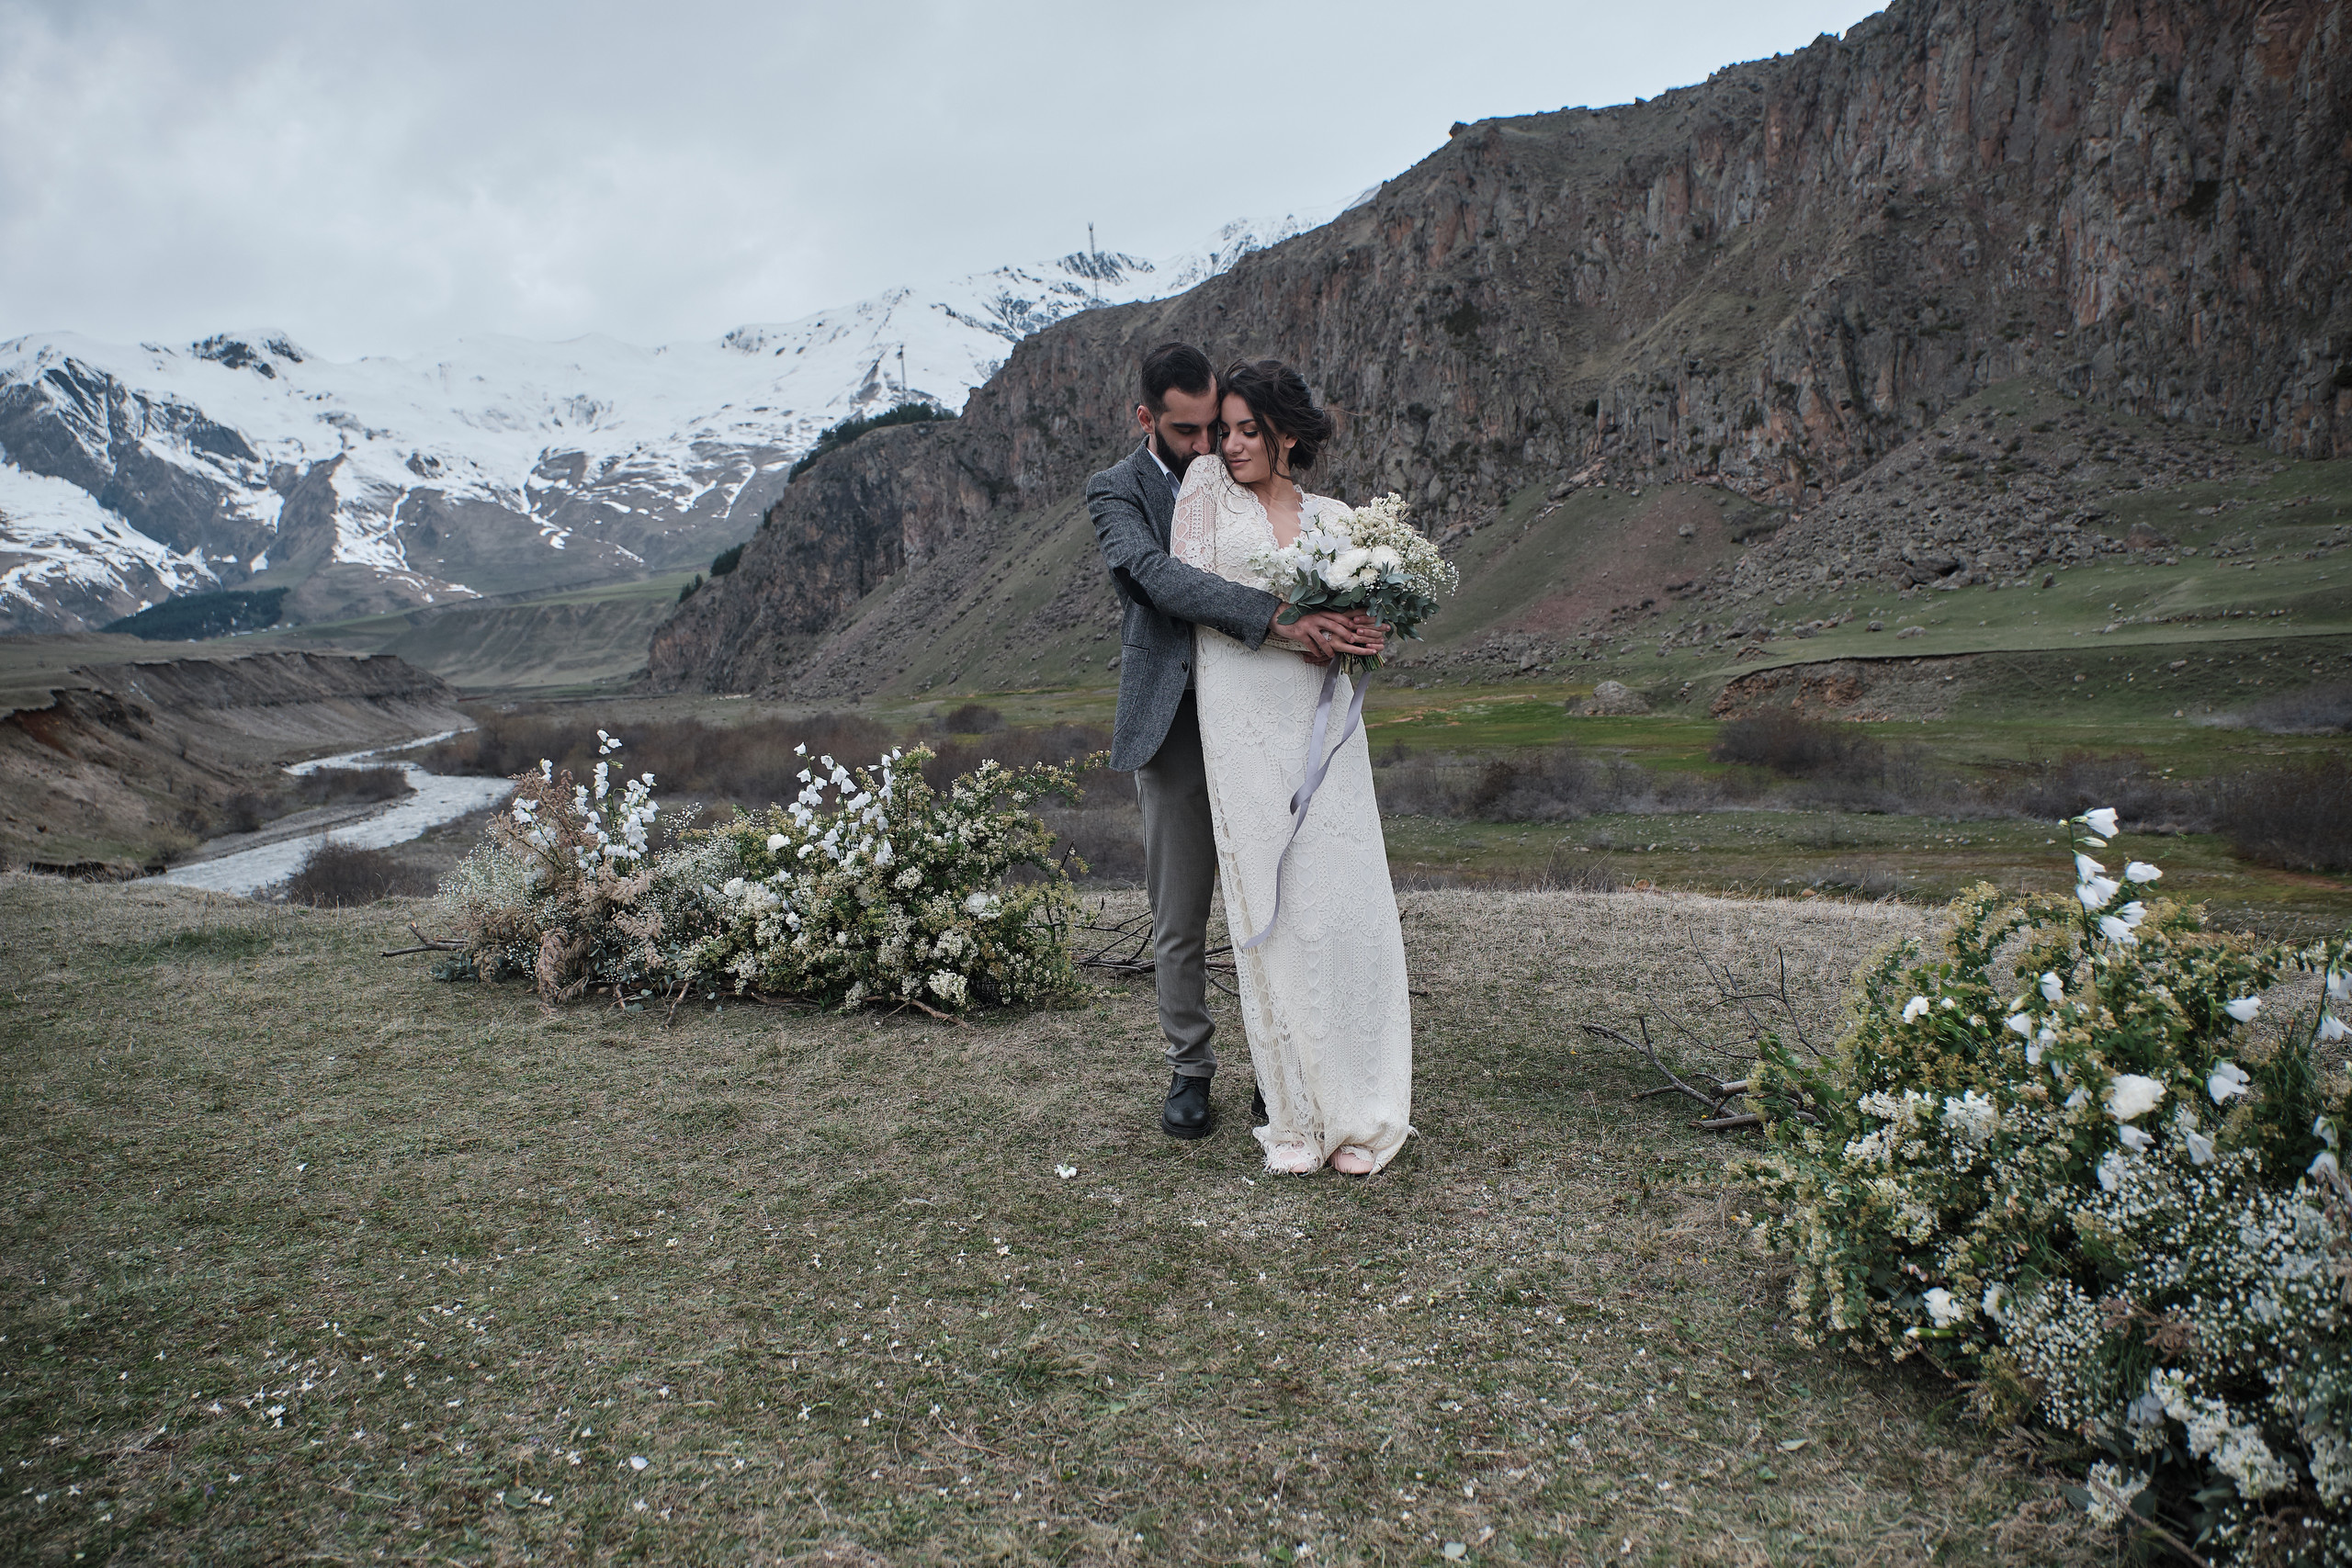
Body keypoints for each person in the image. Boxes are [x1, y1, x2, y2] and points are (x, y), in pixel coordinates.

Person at [1087, 343, 1382, 1141]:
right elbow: (1155, 575)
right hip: (1173, 719)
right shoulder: (1114, 491)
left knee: (1277, 895)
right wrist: (1283, 622)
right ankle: (1190, 1068)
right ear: (1147, 419)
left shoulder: (1238, 465)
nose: (1206, 444)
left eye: (1214, 425)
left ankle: (1277, 1070)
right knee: (1180, 911)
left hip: (1262, 715)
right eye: (1187, 431)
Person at [1169, 358, 1413, 1176]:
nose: (1229, 443)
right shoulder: (1204, 490)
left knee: (1342, 902)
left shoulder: (1336, 515)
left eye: (1248, 430)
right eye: (1226, 428)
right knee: (1270, 904)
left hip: (1322, 720)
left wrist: (1369, 628)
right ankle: (1299, 1118)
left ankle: (1361, 1112)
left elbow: (1360, 607)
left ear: (1288, 435)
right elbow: (1192, 591)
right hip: (1240, 714)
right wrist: (1293, 625)